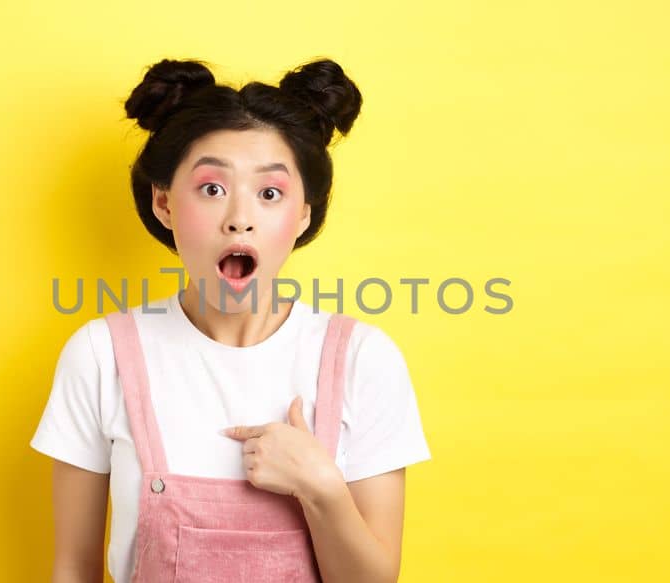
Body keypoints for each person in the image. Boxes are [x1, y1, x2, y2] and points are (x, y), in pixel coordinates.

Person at [30, 57, 431, 583]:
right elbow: (73, 569)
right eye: (212, 188)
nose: (239, 216)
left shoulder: (363, 359)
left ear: (304, 214)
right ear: (164, 203)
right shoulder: (101, 355)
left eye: (269, 194)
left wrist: (320, 487)